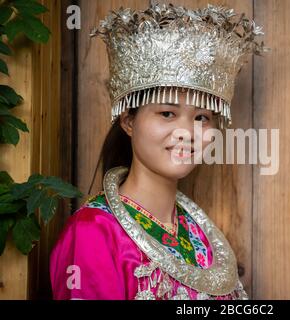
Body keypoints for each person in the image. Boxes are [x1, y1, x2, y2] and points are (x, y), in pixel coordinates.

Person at [50, 2, 267, 300]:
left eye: (202, 118)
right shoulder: (93, 233)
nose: (186, 133)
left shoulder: (200, 234)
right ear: (128, 121)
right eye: (167, 113)